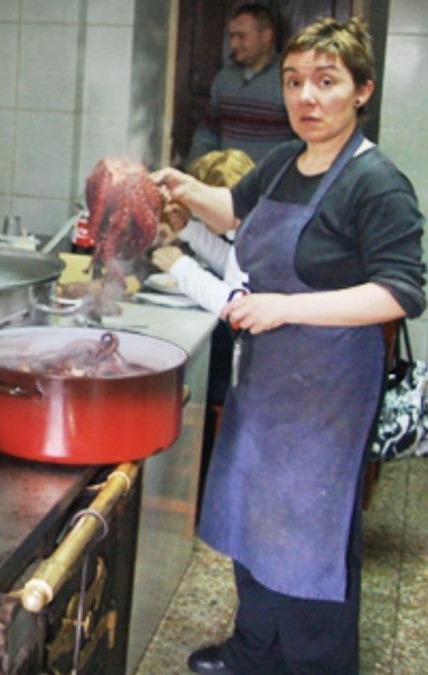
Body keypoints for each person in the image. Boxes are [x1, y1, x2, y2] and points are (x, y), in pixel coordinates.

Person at [154, 18, 425, 674]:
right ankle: (255, 649)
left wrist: (286, 309)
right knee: (254, 524)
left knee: (309, 545)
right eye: (295, 81)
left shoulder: (375, 181)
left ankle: (314, 662)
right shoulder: (283, 160)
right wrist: (186, 190)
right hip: (267, 384)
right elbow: (236, 209)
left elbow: (402, 291)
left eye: (326, 82)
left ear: (362, 90)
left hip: (326, 395)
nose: (307, 97)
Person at [188, 4, 297, 165]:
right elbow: (207, 134)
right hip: (225, 186)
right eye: (231, 36)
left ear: (266, 36)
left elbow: (304, 143)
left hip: (271, 186)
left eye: (241, 36)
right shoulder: (224, 79)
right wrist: (194, 170)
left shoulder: (289, 79)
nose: (233, 44)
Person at [150, 149, 256, 313]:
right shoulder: (249, 229)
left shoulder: (263, 236)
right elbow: (232, 264)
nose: (197, 215)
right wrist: (190, 229)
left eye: (200, 210)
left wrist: (181, 267)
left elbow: (238, 305)